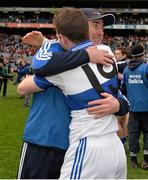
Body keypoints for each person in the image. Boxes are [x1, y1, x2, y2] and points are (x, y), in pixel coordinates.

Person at [17, 8, 129, 179]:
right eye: (96, 25)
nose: (101, 32)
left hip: (78, 144)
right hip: (45, 140)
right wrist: (55, 45)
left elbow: (120, 100)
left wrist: (118, 104)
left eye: (102, 27)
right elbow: (23, 87)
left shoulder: (104, 55)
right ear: (80, 26)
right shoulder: (58, 59)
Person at [121, 44, 148, 170]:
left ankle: (133, 160)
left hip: (133, 108)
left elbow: (123, 89)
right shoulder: (146, 68)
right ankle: (146, 161)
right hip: (146, 107)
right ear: (142, 54)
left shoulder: (126, 70)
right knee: (147, 133)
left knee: (133, 133)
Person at [114, 47, 129, 144]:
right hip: (126, 95)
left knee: (117, 121)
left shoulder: (118, 64)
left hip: (120, 95)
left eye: (118, 54)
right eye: (115, 53)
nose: (115, 55)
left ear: (124, 55)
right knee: (123, 121)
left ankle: (121, 143)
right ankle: (124, 141)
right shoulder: (128, 63)